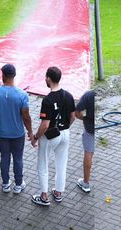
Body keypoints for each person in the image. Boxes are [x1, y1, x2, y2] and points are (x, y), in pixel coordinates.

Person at [31, 66, 75, 206]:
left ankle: (44, 196)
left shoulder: (48, 100)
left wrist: (36, 137)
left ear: (48, 79)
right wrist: (65, 127)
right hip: (65, 134)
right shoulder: (68, 95)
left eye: (45, 77)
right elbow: (73, 116)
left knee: (43, 164)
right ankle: (58, 192)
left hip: (50, 136)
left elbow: (45, 125)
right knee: (61, 163)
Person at [0, 64, 33, 194]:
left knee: (4, 157)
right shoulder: (22, 95)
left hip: (2, 132)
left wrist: (0, 111)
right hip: (17, 133)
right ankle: (18, 184)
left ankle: (5, 183)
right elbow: (26, 117)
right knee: (18, 158)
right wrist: (30, 131)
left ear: (3, 75)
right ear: (14, 76)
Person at [75, 90, 95, 193]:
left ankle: (86, 183)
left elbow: (77, 112)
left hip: (90, 129)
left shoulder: (89, 95)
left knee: (88, 152)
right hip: (103, 126)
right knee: (91, 152)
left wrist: (84, 119)